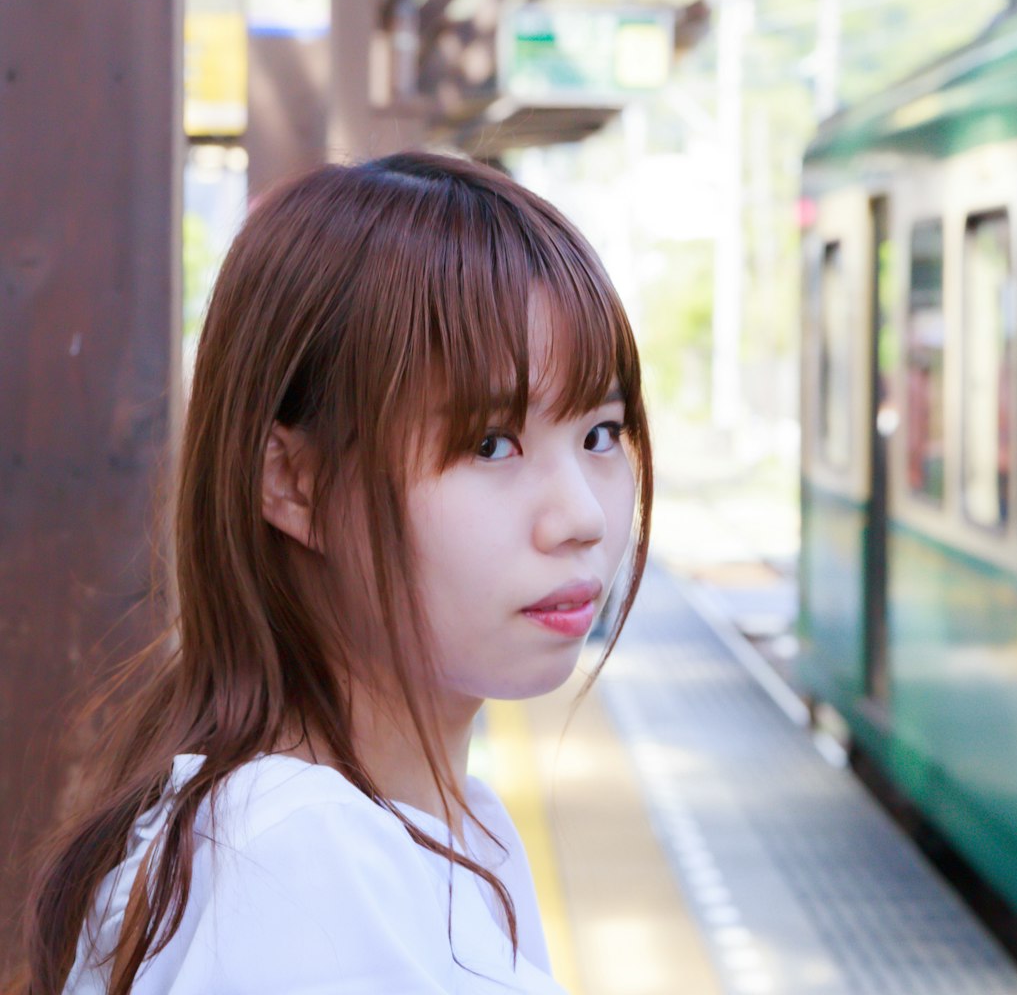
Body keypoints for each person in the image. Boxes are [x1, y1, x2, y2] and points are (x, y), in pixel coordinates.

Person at [13, 151, 653, 994]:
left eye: (601, 434)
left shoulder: (436, 826)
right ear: (294, 482)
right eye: (491, 444)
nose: (582, 517)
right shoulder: (298, 861)